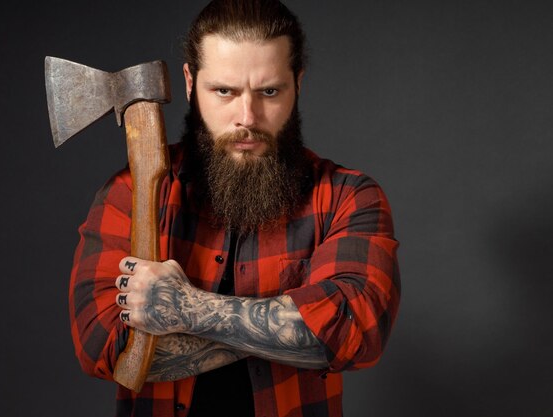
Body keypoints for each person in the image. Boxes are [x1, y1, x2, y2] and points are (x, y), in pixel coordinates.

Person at [69, 1, 400, 416]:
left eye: (269, 91)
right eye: (224, 91)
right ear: (190, 82)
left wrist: (186, 309)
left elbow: (353, 332)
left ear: (298, 83)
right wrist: (291, 325)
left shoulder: (347, 196)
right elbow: (103, 346)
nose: (248, 117)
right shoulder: (130, 194)